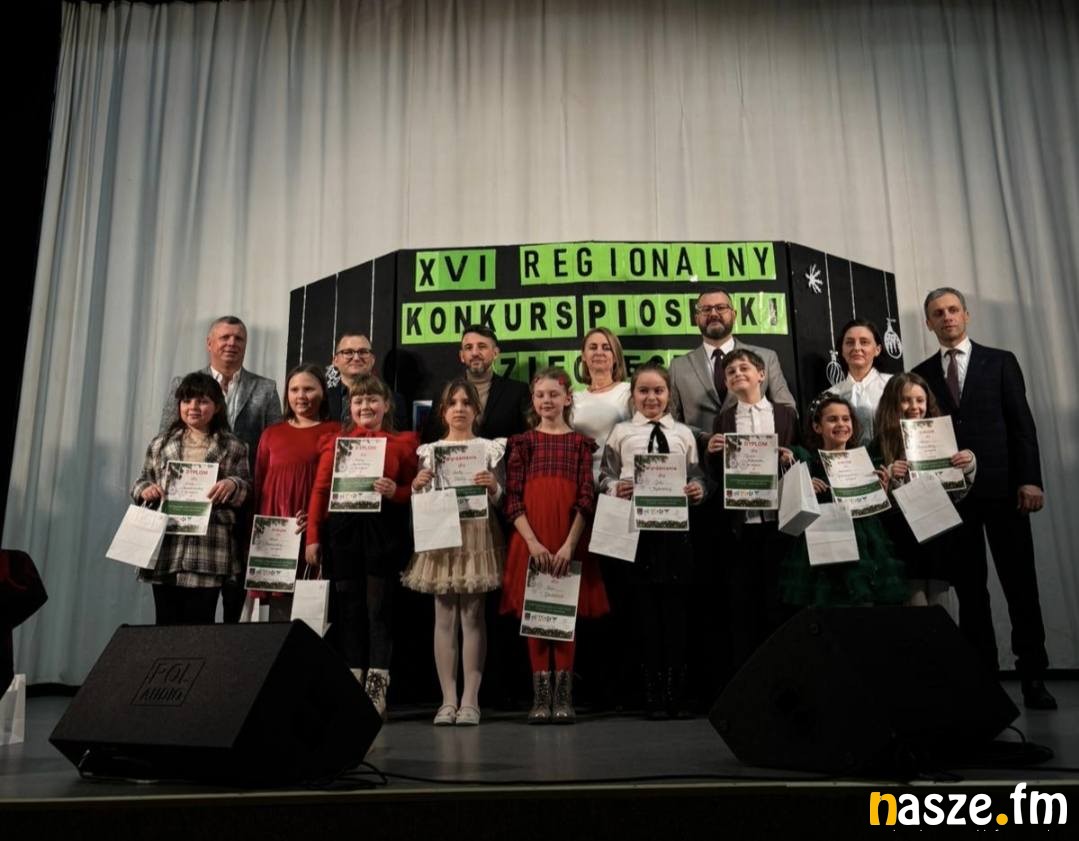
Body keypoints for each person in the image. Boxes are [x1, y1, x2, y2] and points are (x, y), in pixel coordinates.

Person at [912, 288, 1055, 709]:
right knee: (971, 593)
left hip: (1005, 492)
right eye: (938, 313)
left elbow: (1022, 426)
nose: (947, 317)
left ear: (966, 315)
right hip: (953, 500)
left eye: (953, 310)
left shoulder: (1000, 361)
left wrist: (1030, 480)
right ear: (928, 323)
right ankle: (984, 680)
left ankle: (1033, 677)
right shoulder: (920, 374)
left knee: (1020, 586)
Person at [305, 374, 418, 718]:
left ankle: (377, 686)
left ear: (386, 405)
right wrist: (313, 536)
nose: (365, 406)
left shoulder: (402, 444)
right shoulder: (336, 443)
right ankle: (353, 683)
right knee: (349, 611)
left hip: (383, 532)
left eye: (372, 400)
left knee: (378, 610)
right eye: (358, 401)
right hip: (343, 533)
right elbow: (321, 490)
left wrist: (396, 492)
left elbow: (415, 490)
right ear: (349, 407)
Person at [500, 367, 608, 723]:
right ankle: (541, 696)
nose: (547, 400)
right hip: (531, 541)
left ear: (567, 397)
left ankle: (563, 696)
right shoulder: (522, 443)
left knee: (564, 617)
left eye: (553, 394)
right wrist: (532, 543)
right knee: (536, 618)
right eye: (540, 395)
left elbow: (586, 499)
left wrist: (569, 545)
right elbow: (513, 498)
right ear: (533, 400)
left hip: (567, 540)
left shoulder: (580, 444)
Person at [598, 362, 705, 719]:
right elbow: (604, 475)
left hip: (675, 534)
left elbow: (698, 474)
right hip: (635, 532)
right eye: (643, 391)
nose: (651, 397)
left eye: (658, 390)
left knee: (676, 613)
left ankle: (677, 692)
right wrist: (615, 487)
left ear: (669, 395)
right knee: (643, 613)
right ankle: (651, 693)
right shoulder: (621, 432)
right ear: (633, 396)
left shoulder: (683, 434)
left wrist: (698, 488)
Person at [160, 316, 282, 623]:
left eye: (238, 338)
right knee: (185, 604)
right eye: (224, 337)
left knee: (235, 594)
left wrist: (246, 489)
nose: (231, 343)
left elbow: (275, 444)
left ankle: (229, 648)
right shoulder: (185, 384)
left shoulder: (265, 388)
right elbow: (166, 441)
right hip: (189, 512)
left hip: (242, 504)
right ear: (209, 343)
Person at [403, 379, 506, 726]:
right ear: (443, 411)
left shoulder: (489, 449)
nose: (459, 408)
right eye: (453, 403)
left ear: (476, 410)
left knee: (473, 617)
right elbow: (423, 499)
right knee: (444, 617)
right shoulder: (429, 451)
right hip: (442, 534)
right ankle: (447, 699)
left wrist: (494, 487)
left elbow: (502, 499)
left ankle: (470, 699)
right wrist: (417, 486)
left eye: (466, 402)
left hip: (477, 535)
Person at [707, 349, 798, 680]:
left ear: (762, 374)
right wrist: (712, 453)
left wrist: (791, 455)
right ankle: (748, 680)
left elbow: (802, 454)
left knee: (779, 603)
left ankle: (783, 674)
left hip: (780, 523)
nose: (736, 374)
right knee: (743, 606)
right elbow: (717, 475)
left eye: (743, 367)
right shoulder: (723, 421)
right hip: (741, 525)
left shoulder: (786, 415)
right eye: (730, 371)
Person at [134, 373, 251, 625]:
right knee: (165, 625)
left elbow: (247, 489)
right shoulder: (160, 444)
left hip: (209, 548)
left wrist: (233, 484)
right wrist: (145, 490)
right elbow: (142, 480)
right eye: (187, 401)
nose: (193, 407)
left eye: (202, 401)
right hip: (168, 549)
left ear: (217, 406)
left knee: (200, 626)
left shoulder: (234, 446)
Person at [780, 393, 907, 609]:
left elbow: (877, 508)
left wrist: (882, 491)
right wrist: (804, 485)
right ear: (817, 427)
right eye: (832, 419)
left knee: (865, 604)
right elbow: (786, 470)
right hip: (825, 540)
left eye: (846, 419)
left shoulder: (866, 460)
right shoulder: (808, 461)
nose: (841, 424)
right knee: (828, 607)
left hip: (866, 541)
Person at [871, 372, 976, 607]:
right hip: (903, 541)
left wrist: (969, 465)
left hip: (939, 536)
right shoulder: (879, 445)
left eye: (920, 400)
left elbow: (958, 494)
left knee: (942, 607)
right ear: (892, 403)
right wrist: (891, 478)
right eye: (905, 400)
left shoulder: (942, 438)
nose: (914, 407)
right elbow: (875, 506)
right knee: (915, 606)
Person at [251, 364, 340, 619]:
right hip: (277, 535)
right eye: (294, 389)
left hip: (313, 530)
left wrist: (318, 523)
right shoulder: (271, 434)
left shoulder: (335, 431)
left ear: (322, 392)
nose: (301, 396)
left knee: (314, 614)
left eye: (309, 389)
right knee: (278, 615)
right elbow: (259, 486)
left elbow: (336, 487)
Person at [669, 289, 796, 455]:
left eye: (720, 307)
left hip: (760, 460)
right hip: (700, 462)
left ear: (734, 314)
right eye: (706, 309)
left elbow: (788, 408)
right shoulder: (678, 366)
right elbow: (670, 421)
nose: (713, 314)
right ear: (696, 318)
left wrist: (768, 447)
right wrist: (703, 437)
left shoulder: (766, 357)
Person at [572, 328, 632, 479]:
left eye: (606, 348)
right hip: (581, 481)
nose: (599, 352)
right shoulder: (573, 398)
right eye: (593, 347)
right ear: (583, 356)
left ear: (615, 356)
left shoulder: (629, 392)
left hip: (620, 481)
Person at [327, 331, 408, 430]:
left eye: (363, 352)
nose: (356, 358)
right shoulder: (322, 398)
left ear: (373, 360)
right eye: (348, 352)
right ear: (335, 360)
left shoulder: (394, 400)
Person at [831, 319, 892, 444]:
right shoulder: (831, 395)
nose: (856, 348)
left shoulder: (893, 386)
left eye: (864, 342)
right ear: (842, 350)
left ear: (877, 349)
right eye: (849, 343)